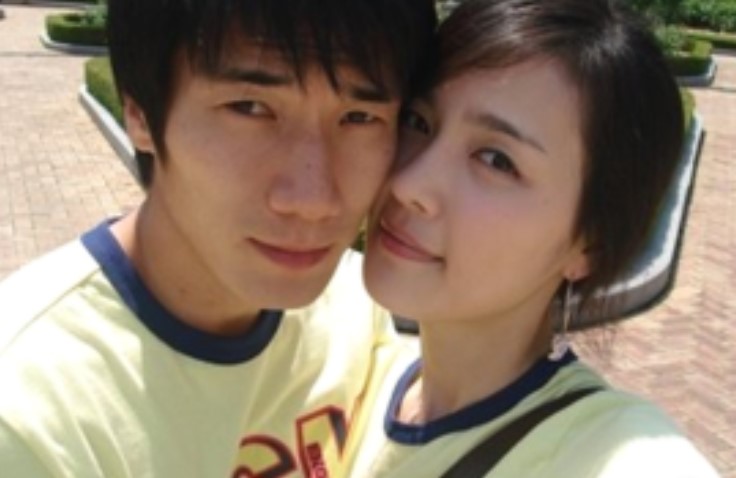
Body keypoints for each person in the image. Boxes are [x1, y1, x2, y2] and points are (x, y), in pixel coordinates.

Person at [0, 0, 436, 476]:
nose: (313, 199)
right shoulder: (27, 414)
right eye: (249, 108)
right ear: (139, 115)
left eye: (359, 117)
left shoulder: (355, 306)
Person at [347, 0, 721, 476]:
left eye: (497, 160)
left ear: (589, 243)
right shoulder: (357, 375)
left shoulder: (606, 453)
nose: (408, 184)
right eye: (418, 122)